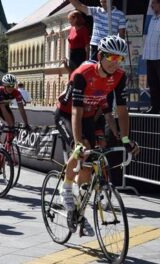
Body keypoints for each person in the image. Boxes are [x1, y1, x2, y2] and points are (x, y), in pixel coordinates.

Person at [55, 36, 139, 236]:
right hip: (66, 114)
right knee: (81, 148)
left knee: (89, 162)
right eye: (111, 57)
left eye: (119, 58)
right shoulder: (83, 73)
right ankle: (66, 188)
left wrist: (125, 140)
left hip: (89, 116)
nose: (114, 62)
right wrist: (77, 143)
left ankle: (79, 212)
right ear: (100, 55)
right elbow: (75, 111)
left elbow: (121, 109)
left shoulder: (119, 75)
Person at [143, 0, 160, 114]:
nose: (151, 5)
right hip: (150, 56)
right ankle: (155, 107)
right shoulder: (153, 19)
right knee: (153, 84)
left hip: (159, 56)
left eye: (154, 3)